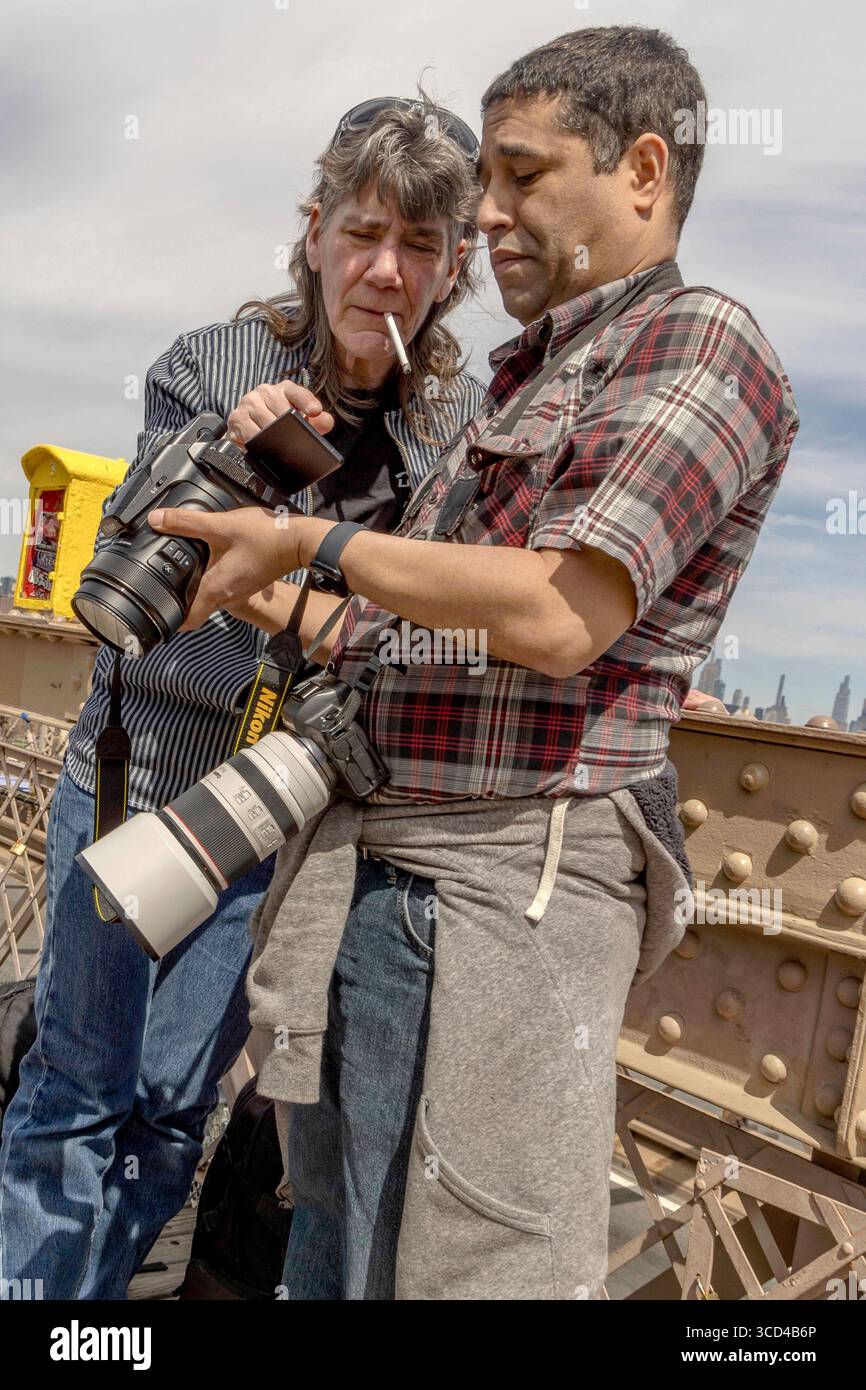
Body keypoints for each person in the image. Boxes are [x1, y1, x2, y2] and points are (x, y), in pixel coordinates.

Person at [149, 25, 800, 1301]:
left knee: (463, 1253)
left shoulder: (695, 341)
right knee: (341, 1246)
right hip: (388, 884)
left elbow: (561, 617)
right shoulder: (519, 378)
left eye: (518, 175)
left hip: (497, 899)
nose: (484, 213)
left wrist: (314, 536)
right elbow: (417, 634)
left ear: (643, 172)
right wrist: (248, 561)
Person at [0, 96, 485, 1300]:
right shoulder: (214, 365)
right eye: (363, 231)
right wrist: (242, 472)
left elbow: (455, 627)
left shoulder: (454, 428)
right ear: (313, 231)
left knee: (170, 1115)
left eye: (419, 246)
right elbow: (141, 564)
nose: (384, 270)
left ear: (453, 266)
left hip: (271, 820)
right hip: (141, 777)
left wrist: (285, 562)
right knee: (75, 1094)